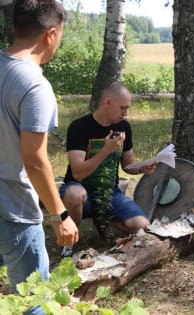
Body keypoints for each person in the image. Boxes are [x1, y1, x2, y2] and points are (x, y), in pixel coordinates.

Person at [0, 1, 79, 314]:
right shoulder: (34, 85)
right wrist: (60, 215)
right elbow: (34, 160)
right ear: (50, 35)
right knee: (34, 299)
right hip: (14, 208)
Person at [60, 81, 155, 257]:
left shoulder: (123, 127)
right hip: (80, 190)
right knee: (75, 194)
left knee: (143, 227)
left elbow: (128, 165)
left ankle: (106, 220)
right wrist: (105, 151)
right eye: (123, 108)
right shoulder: (79, 127)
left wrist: (142, 168)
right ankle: (69, 243)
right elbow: (78, 172)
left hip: (110, 193)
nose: (126, 112)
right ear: (108, 102)